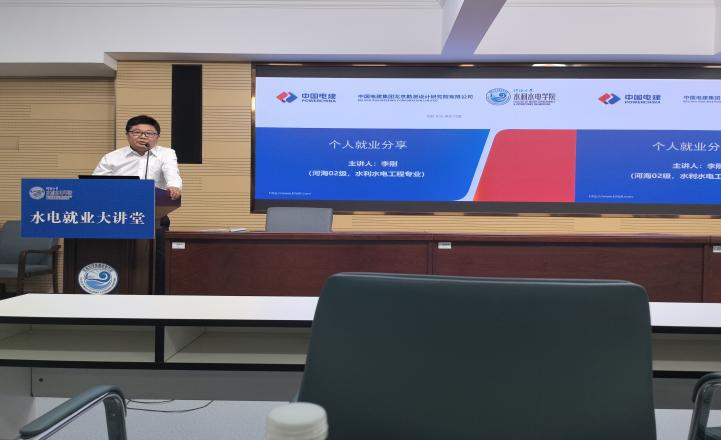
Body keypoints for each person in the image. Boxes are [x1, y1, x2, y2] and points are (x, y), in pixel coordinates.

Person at [93, 115, 182, 200]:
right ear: (127, 134)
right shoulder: (111, 157)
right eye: (137, 132)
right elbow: (95, 183)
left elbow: (171, 172)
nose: (143, 137)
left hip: (154, 205)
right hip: (118, 204)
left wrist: (174, 187)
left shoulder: (166, 153)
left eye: (149, 133)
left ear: (157, 137)